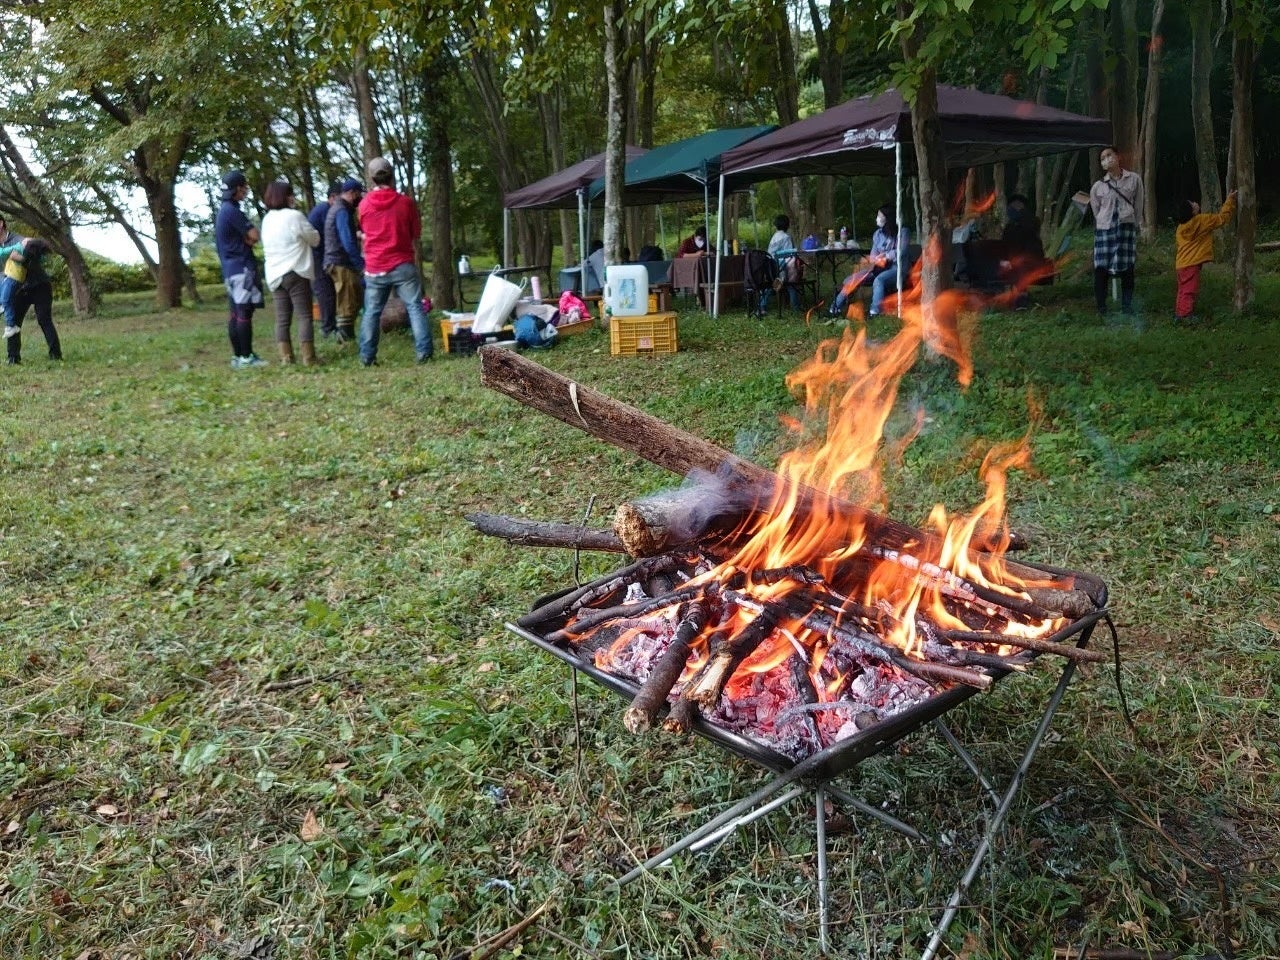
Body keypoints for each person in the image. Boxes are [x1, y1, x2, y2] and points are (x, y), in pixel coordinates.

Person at [355, 156, 433, 366]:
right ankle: (424, 353)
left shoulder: (363, 205)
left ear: (371, 178)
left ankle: (367, 357)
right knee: (415, 307)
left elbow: (364, 231)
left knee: (372, 312)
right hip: (402, 264)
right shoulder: (406, 203)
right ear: (391, 177)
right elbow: (416, 233)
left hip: (375, 267)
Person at [261, 179, 321, 365]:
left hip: (274, 273)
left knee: (282, 319)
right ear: (286, 197)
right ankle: (309, 357)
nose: (293, 197)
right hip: (296, 271)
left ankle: (286, 357)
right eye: (290, 194)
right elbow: (314, 239)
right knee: (304, 316)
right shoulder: (294, 216)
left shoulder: (267, 219)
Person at [215, 169, 267, 368]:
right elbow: (254, 235)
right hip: (241, 268)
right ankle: (246, 357)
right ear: (238, 188)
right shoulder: (232, 211)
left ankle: (238, 356)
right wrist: (248, 239)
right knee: (244, 313)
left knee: (235, 313)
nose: (246, 190)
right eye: (244, 187)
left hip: (229, 270)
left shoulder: (224, 210)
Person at [1089, 146, 1144, 315]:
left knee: (1127, 267)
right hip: (1105, 230)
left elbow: (1138, 204)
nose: (1106, 159)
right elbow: (1096, 210)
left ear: (1118, 157)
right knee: (1101, 268)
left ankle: (1127, 306)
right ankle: (1101, 307)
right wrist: (1104, 221)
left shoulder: (1134, 179)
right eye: (1102, 158)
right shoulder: (1098, 186)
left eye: (1109, 155)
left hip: (1126, 227)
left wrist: (1134, 222)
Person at [829, 205, 908, 318]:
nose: (877, 218)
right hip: (878, 268)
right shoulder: (877, 234)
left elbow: (902, 251)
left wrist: (886, 256)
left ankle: (875, 312)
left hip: (897, 269)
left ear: (888, 218)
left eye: (879, 216)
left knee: (879, 280)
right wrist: (875, 259)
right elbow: (873, 256)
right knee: (852, 279)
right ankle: (834, 309)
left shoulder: (903, 232)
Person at [0, 221, 60, 365]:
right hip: (20, 288)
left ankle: (56, 355)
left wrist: (22, 258)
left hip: (39, 284)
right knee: (13, 321)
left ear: (1, 224)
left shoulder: (18, 239)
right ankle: (13, 358)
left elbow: (38, 254)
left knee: (44, 319)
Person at [1174, 189, 1237, 322]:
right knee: (1189, 290)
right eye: (1192, 204)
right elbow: (1222, 218)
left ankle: (1179, 314)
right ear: (1192, 211)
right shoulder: (1201, 220)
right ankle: (1186, 316)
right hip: (1191, 264)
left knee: (1182, 290)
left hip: (1180, 264)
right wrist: (1230, 201)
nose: (1195, 203)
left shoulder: (1180, 228)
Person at [323, 176, 364, 343]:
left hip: (336, 260)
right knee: (347, 301)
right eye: (359, 194)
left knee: (352, 298)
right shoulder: (341, 210)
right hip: (340, 262)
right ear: (352, 193)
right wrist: (359, 263)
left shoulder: (339, 208)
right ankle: (345, 339)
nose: (360, 198)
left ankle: (346, 336)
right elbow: (347, 241)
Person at [308, 180, 340, 338]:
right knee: (325, 292)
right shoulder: (325, 210)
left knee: (329, 292)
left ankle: (330, 324)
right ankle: (327, 328)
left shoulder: (326, 209)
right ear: (333, 197)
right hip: (317, 257)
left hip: (322, 256)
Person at [764, 214, 801, 310]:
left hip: (771, 267)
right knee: (792, 283)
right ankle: (795, 307)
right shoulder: (786, 237)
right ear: (787, 225)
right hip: (781, 267)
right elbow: (789, 254)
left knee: (772, 286)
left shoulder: (775, 236)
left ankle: (762, 305)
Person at [2, 235, 31, 342]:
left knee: (6, 299)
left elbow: (13, 255)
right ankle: (3, 305)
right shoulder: (19, 249)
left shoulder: (23, 252)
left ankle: (11, 325)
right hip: (9, 276)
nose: (22, 242)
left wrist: (16, 250)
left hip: (13, 278)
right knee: (4, 297)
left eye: (24, 242)